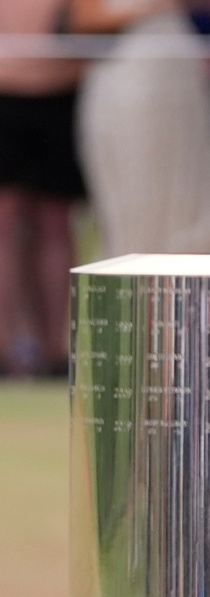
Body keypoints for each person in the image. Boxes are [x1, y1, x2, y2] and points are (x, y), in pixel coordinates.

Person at [71, 0, 210, 257]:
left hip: (178, 71)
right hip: (133, 78)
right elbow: (84, 18)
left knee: (192, 198)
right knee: (141, 201)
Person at [0, 0, 84, 377]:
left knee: (56, 220)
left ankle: (56, 350)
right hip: (6, 92)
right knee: (5, 220)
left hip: (61, 91)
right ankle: (6, 348)